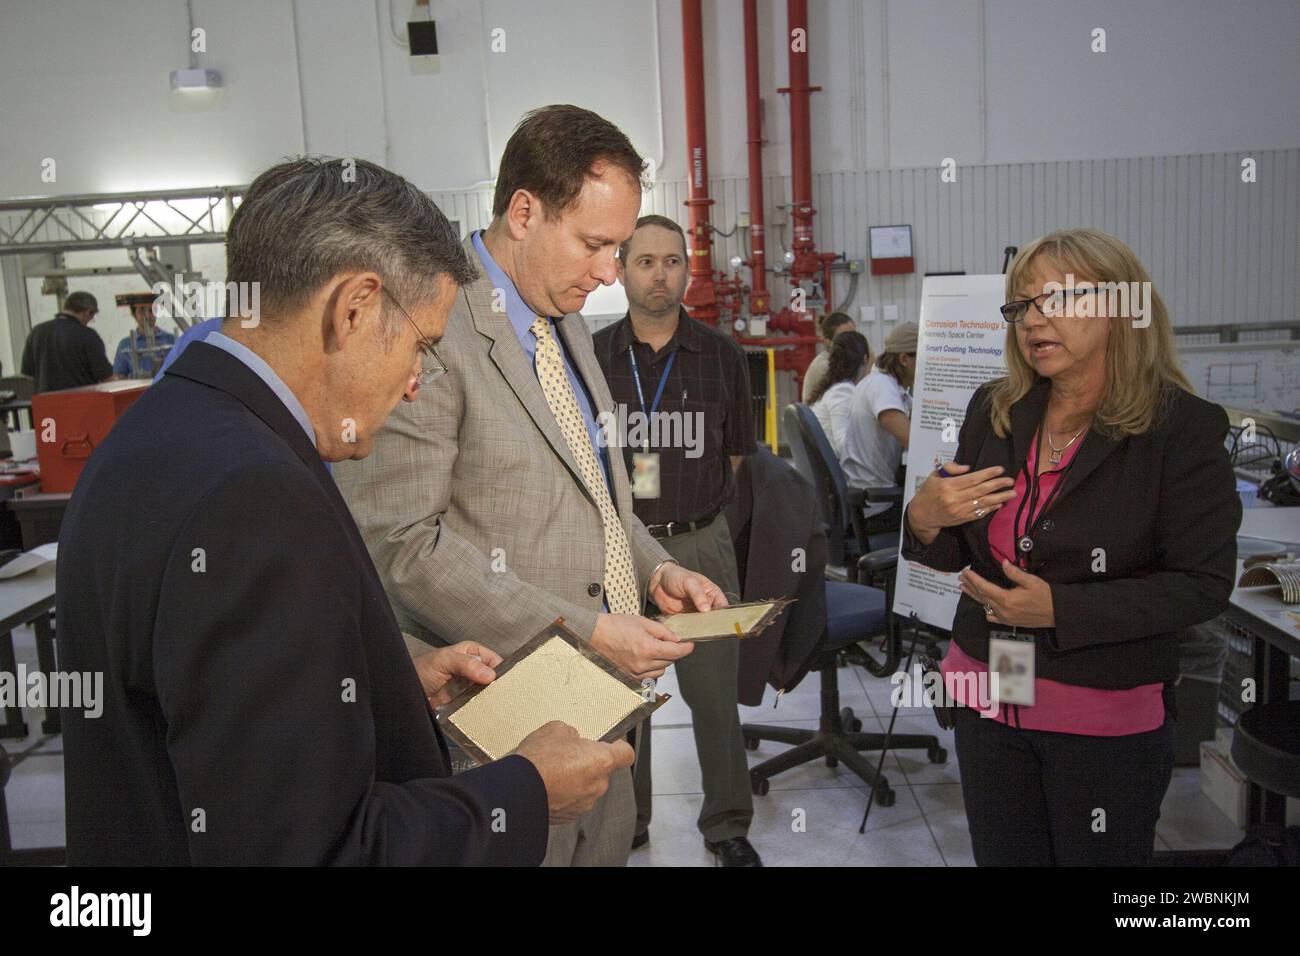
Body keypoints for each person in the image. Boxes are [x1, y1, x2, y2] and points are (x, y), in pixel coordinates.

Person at [57, 157, 634, 866]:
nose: (417, 384)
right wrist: (525, 792)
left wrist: (375, 689)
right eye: (421, 345)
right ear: (354, 308)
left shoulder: (163, 429)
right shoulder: (255, 500)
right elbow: (314, 850)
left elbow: (205, 718)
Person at [335, 106, 727, 867]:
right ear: (523, 212)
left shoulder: (564, 317)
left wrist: (657, 569)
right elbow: (402, 545)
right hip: (503, 731)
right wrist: (584, 629)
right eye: (595, 244)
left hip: (602, 709)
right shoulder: (435, 329)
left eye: (618, 247)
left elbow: (599, 498)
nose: (612, 272)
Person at [901, 227, 1239, 865]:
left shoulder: (1181, 430)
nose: (1034, 320)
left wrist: (1059, 609)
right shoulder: (996, 409)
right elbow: (960, 555)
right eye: (1023, 306)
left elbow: (1202, 584)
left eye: (1056, 300)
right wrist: (921, 518)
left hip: (1102, 721)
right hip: (986, 698)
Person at [592, 214, 760, 867]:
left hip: (700, 546)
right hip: (617, 550)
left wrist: (693, 516)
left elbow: (739, 454)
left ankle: (726, 826)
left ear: (687, 270)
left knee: (714, 697)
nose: (660, 274)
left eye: (672, 261)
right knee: (623, 695)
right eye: (645, 261)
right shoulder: (593, 354)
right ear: (622, 269)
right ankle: (628, 820)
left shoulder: (723, 354)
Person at [843, 320, 916, 497]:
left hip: (872, 491)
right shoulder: (882, 387)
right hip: (877, 502)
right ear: (904, 359)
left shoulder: (882, 383)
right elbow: (912, 441)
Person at [20, 291, 112, 392]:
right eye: (91, 317)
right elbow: (105, 376)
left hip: (44, 403)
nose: (89, 321)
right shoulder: (88, 335)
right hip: (82, 401)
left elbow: (27, 376)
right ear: (88, 312)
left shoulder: (36, 332)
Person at [807, 329, 871, 459]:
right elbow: (843, 446)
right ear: (865, 359)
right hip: (839, 473)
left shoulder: (831, 388)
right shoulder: (842, 391)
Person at [112, 297, 176, 378]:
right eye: (141, 311)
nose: (147, 316)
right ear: (134, 314)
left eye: (151, 310)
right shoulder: (125, 344)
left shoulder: (171, 340)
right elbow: (118, 375)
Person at [800, 310, 855, 402]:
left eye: (854, 335)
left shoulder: (846, 359)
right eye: (844, 337)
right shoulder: (824, 365)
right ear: (828, 341)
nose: (853, 340)